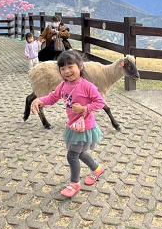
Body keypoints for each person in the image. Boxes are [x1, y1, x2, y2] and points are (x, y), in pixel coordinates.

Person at [31, 50, 106, 198]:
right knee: (81, 153)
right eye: (62, 68)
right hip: (73, 126)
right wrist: (40, 100)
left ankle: (74, 184)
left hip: (85, 127)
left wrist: (85, 108)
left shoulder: (87, 86)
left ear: (80, 66)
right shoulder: (63, 85)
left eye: (70, 66)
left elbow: (100, 102)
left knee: (72, 155)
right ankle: (97, 169)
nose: (66, 71)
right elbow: (52, 97)